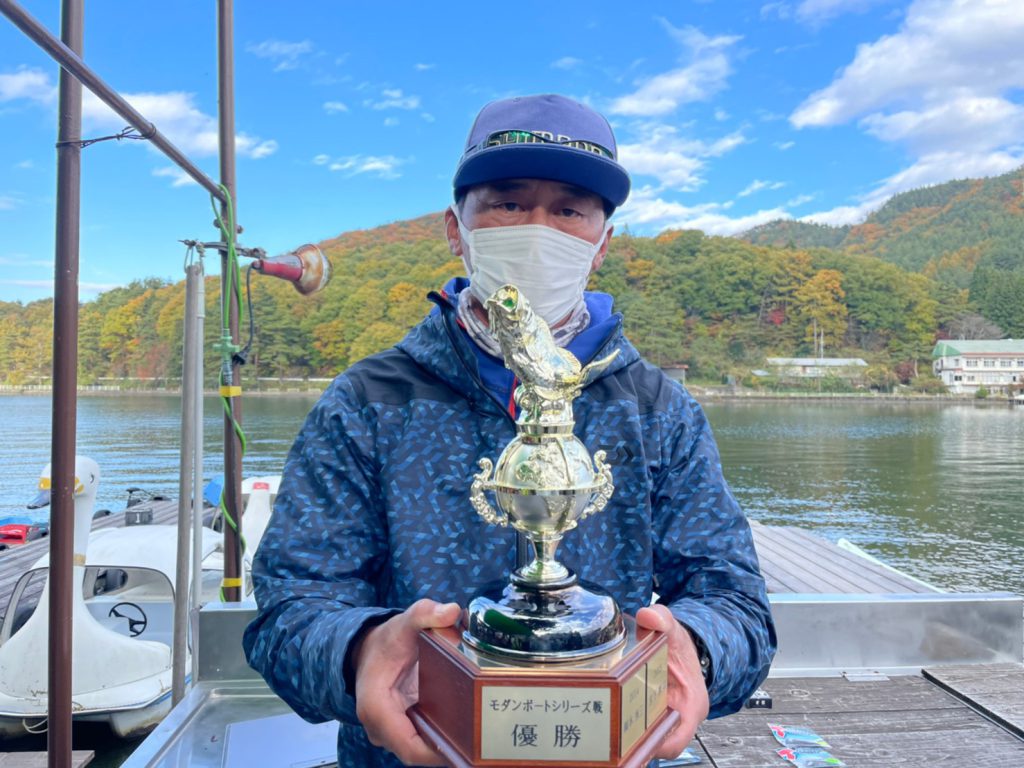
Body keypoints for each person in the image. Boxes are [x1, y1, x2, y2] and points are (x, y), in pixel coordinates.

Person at [243, 94, 776, 767]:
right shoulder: (367, 401)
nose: (537, 229)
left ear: (602, 243)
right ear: (456, 227)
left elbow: (735, 601)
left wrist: (693, 649)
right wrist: (360, 652)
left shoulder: (657, 409)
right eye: (508, 202)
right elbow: (291, 608)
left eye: (569, 210)